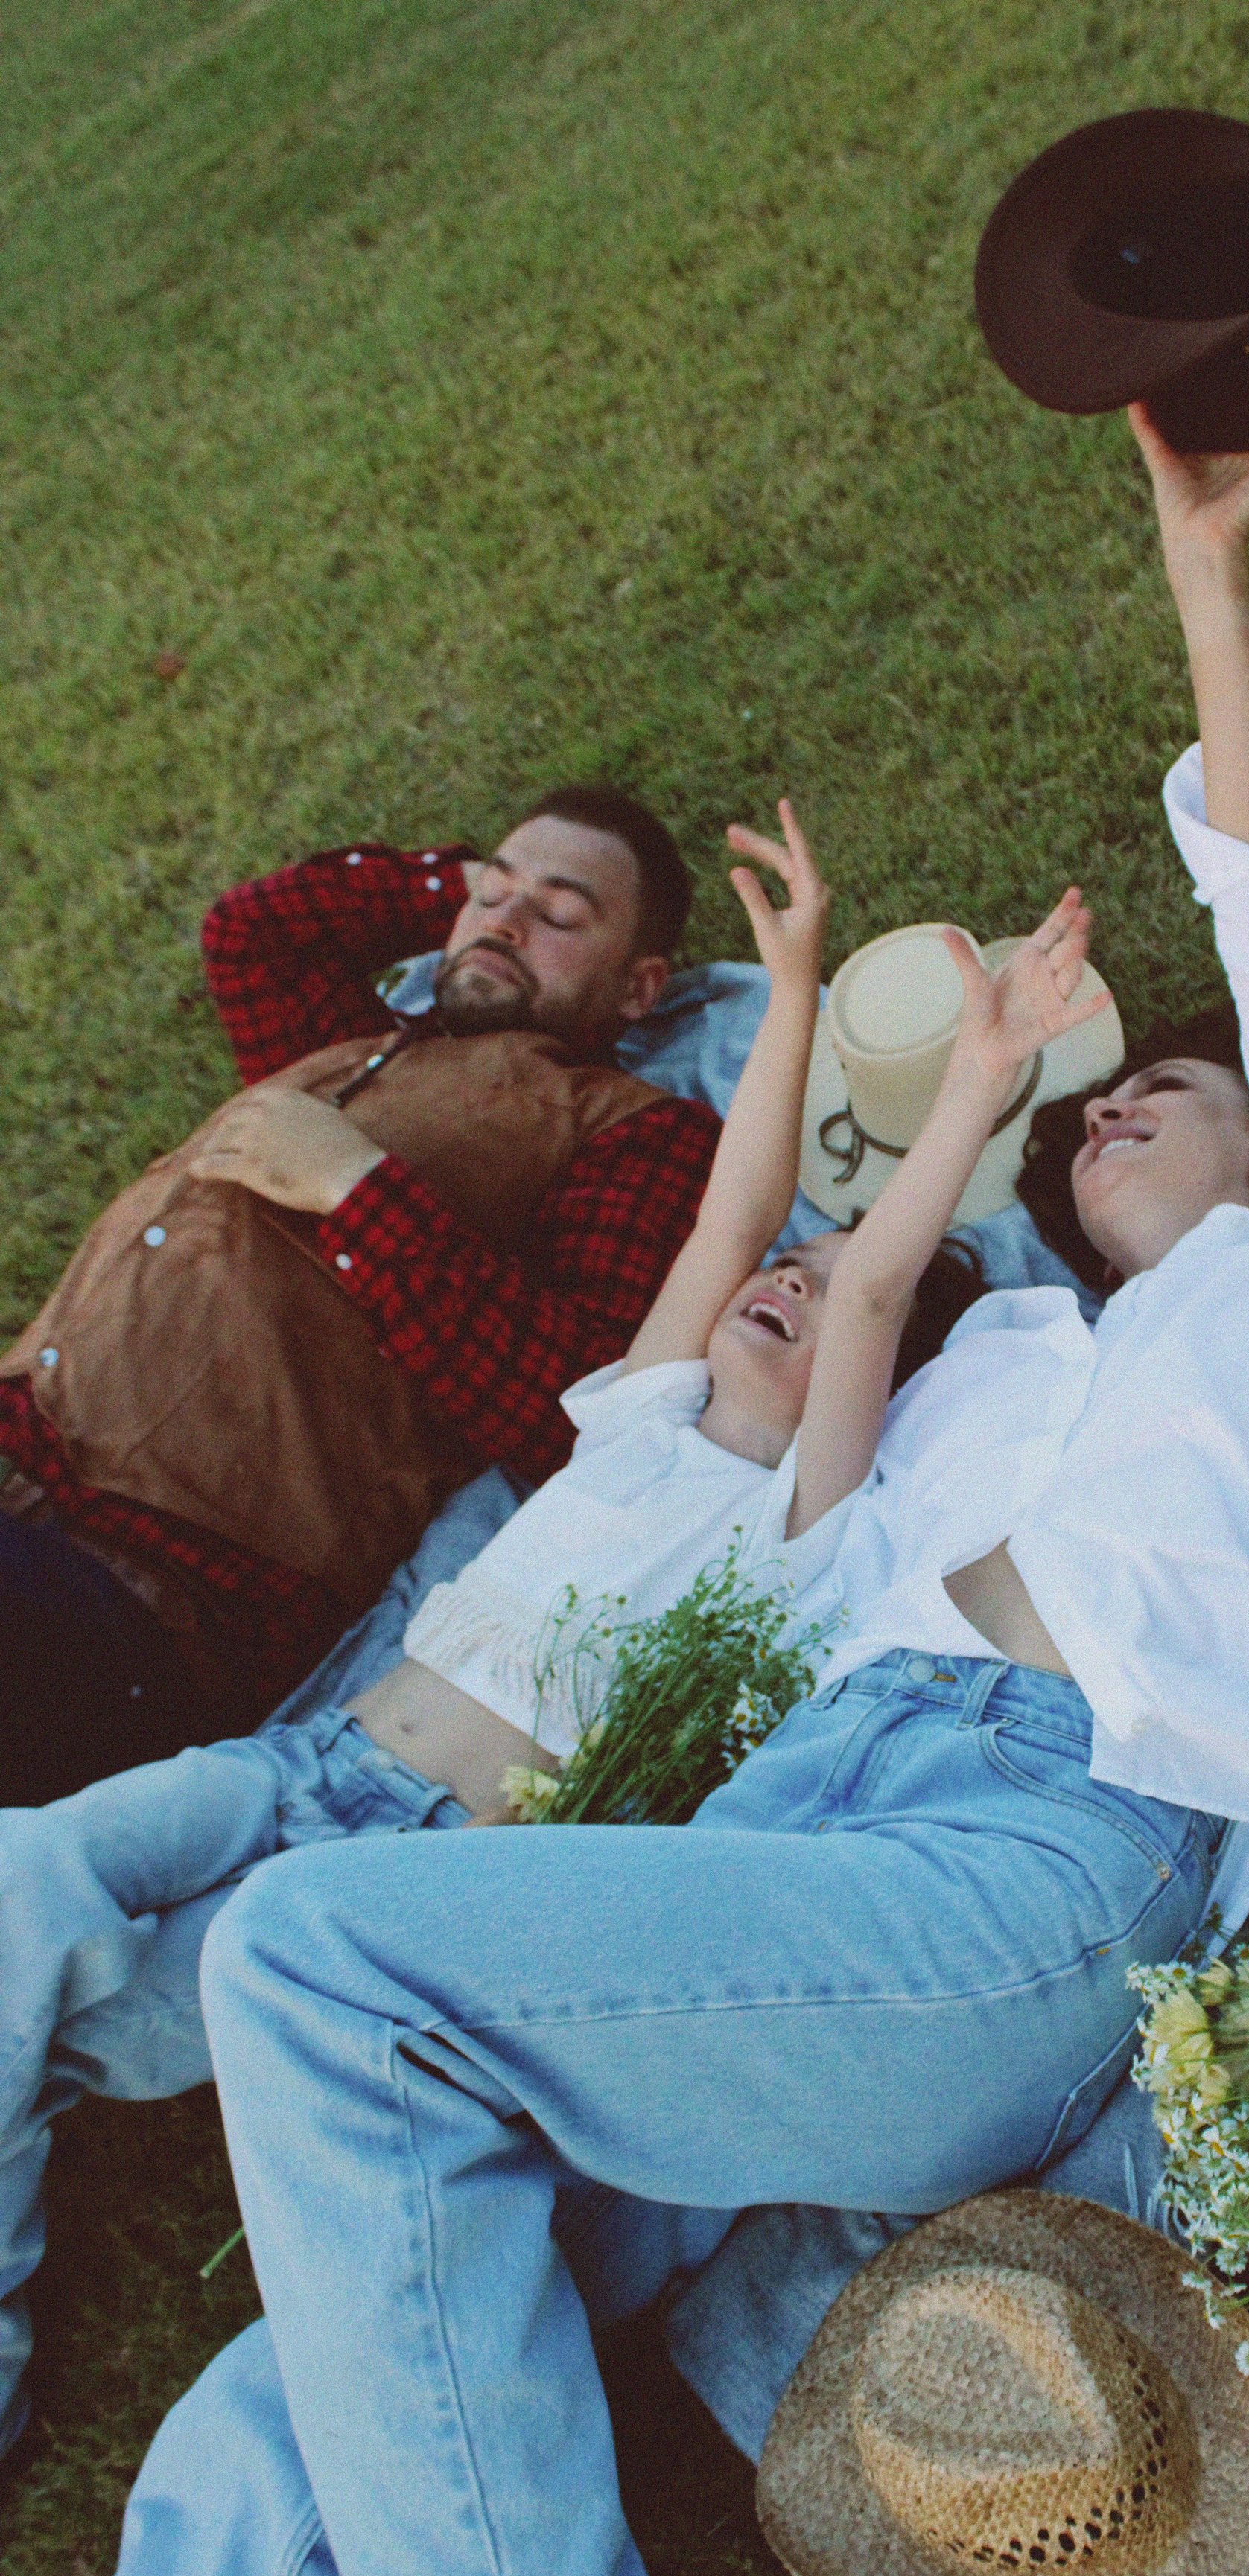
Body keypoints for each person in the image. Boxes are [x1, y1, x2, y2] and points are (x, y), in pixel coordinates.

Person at [0, 409, 1249, 2576]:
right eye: (1106, 1114)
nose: (1149, 1115)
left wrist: (1210, 585)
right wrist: (951, 1109)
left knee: (314, 1975)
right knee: (312, 2370)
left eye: (1188, 1095)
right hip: (795, 1837)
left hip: (1026, 1850)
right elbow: (793, 1326)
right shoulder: (989, 1350)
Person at [0, 802, 1014, 2466]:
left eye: (833, 1301)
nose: (795, 1285)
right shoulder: (642, 1415)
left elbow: (892, 1280)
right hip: (293, 1769)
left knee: (77, 2005)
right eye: (798, 1268)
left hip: (377, 1874)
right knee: (22, 1891)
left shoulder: (803, 1530)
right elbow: (728, 1211)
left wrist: (972, 1082)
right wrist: (792, 985)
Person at [0, 786, 723, 1802]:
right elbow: (249, 934)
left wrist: (357, 1193)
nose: (505, 921)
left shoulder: (627, 1129)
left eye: (558, 915)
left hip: (142, 1584)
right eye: (492, 895)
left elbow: (590, 1411)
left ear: (640, 988)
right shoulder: (353, 1039)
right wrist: (466, 888)